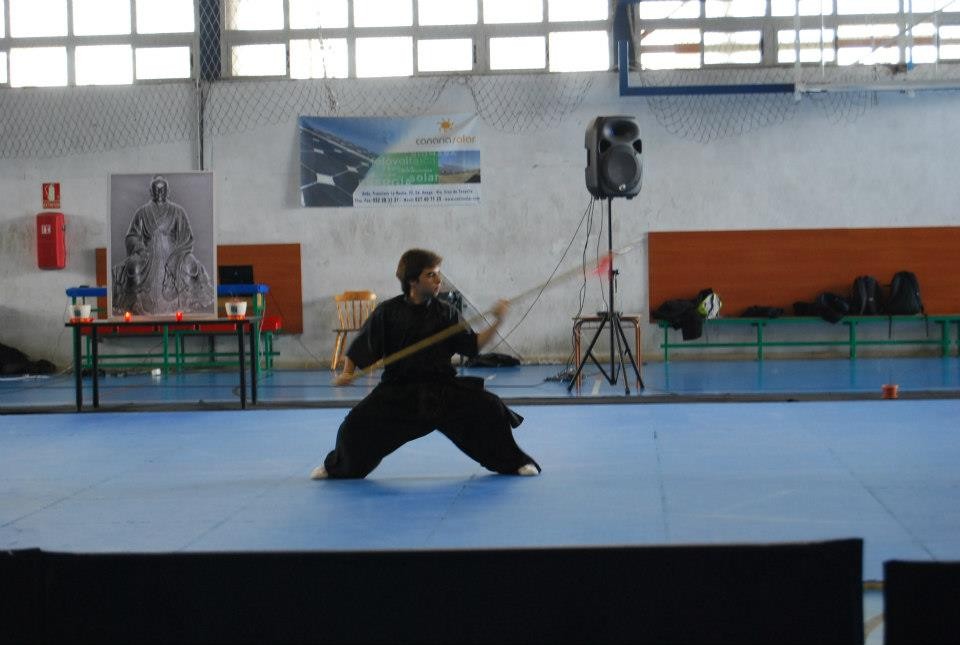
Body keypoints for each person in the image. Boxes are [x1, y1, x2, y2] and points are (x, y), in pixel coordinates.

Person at [311, 249, 540, 480]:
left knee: (491, 408)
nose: (438, 280)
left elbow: (473, 345)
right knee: (354, 425)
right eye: (431, 275)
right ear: (412, 280)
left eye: (438, 274)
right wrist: (347, 373)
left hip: (442, 391)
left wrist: (498, 320)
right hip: (399, 392)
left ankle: (516, 463)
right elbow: (362, 346)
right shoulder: (388, 312)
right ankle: (337, 467)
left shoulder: (446, 313)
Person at [112, 176, 214, 316]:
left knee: (190, 266)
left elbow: (187, 236)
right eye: (156, 189)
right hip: (148, 253)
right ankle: (134, 301)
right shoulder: (142, 212)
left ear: (168, 191)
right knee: (133, 267)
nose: (159, 193)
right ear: (151, 191)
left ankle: (188, 299)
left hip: (173, 253)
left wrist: (178, 253)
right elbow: (131, 236)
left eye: (162, 189)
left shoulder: (178, 211)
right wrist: (140, 248)